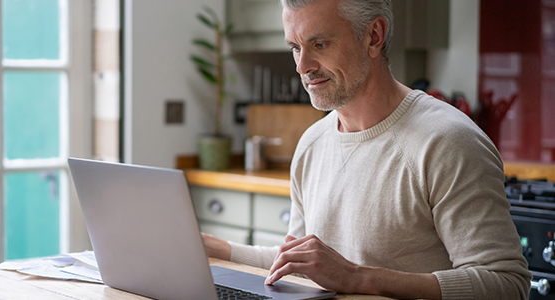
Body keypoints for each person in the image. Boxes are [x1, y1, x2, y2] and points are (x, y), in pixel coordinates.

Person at [201, 0, 531, 299]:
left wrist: (361, 278)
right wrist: (218, 249)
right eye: (295, 48)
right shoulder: (311, 144)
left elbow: (506, 284)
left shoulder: (447, 142)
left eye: (319, 44)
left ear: (373, 36)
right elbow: (299, 263)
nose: (303, 66)